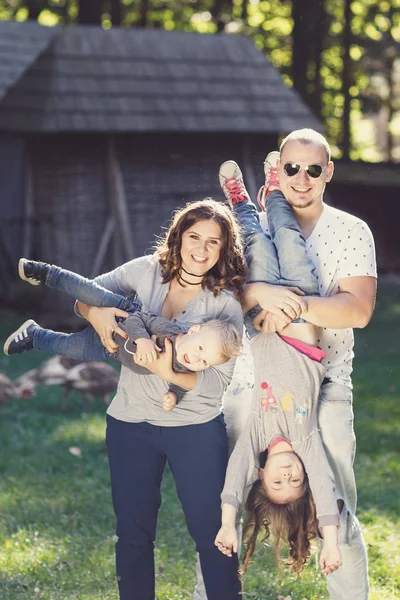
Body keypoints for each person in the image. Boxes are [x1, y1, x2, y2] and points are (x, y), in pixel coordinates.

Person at [217, 129, 376, 600]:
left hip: (325, 383)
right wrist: (260, 294)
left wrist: (291, 306)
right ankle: (214, 592)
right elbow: (220, 294)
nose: (302, 178)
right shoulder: (249, 231)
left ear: (327, 173)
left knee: (338, 506)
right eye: (291, 169)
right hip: (251, 381)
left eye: (312, 170)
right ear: (279, 171)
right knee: (224, 495)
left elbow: (357, 311)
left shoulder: (349, 230)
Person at [70, 198, 247, 600]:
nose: (201, 249)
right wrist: (96, 314)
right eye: (194, 237)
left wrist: (164, 370)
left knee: (211, 535)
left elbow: (215, 383)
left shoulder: (225, 305)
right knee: (132, 535)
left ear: (223, 250)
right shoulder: (145, 271)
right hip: (130, 423)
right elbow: (83, 295)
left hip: (195, 429)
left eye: (213, 243)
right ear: (178, 237)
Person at [213, 159, 341, 576]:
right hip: (301, 311)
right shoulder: (307, 442)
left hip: (265, 312)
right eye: (295, 482)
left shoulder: (256, 436)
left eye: (276, 482)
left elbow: (233, 482)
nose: (288, 476)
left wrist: (228, 524)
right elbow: (324, 495)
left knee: (255, 243)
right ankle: (275, 193)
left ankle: (241, 203)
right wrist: (331, 542)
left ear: (262, 473)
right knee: (287, 238)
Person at [4, 259, 242, 411]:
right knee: (88, 291)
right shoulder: (172, 331)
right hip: (122, 314)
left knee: (71, 347)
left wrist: (173, 395)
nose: (197, 359)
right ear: (194, 330)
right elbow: (139, 319)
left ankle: (34, 336)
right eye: (200, 349)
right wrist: (144, 340)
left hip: (112, 349)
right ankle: (46, 272)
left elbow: (179, 384)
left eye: (205, 361)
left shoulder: (185, 368)